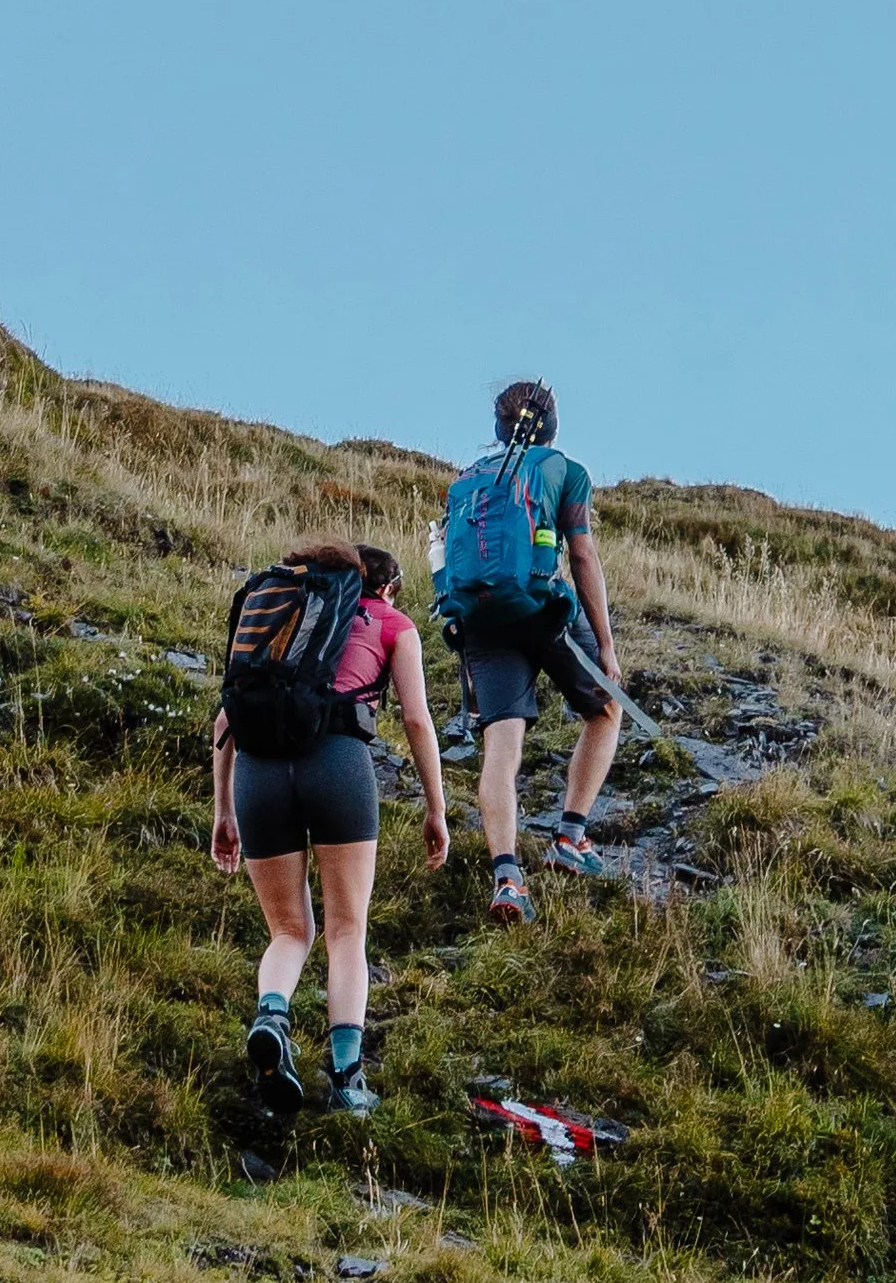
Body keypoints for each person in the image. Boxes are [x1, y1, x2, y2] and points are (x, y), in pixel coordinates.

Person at [209, 539, 448, 1112]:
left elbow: (226, 717)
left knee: (290, 931)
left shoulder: (286, 614)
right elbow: (415, 717)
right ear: (386, 586)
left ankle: (272, 1016)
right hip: (338, 763)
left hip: (259, 772)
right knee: (346, 930)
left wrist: (223, 810)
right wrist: (435, 807)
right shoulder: (394, 623)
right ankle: (345, 1077)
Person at [437, 378, 622, 923]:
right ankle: (570, 837)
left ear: (499, 426)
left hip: (480, 620)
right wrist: (606, 646)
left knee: (501, 746)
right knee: (606, 707)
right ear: (552, 425)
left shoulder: (467, 480)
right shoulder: (566, 470)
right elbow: (583, 557)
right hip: (544, 610)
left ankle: (508, 878)